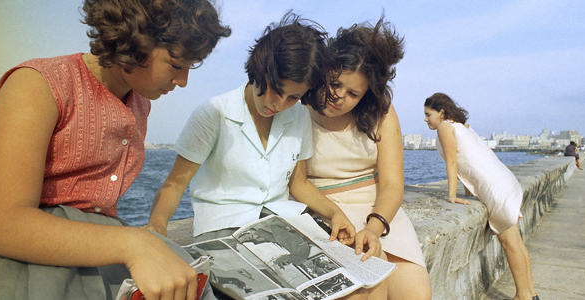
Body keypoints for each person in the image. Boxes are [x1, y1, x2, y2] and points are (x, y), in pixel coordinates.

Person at [0, 0, 231, 299]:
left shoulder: (140, 102)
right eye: (176, 64)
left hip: (98, 254)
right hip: (31, 261)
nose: (182, 82)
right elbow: (2, 224)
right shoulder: (39, 84)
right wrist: (133, 244)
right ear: (135, 41)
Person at [145, 12, 380, 264]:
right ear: (260, 66)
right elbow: (174, 185)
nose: (278, 104)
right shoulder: (214, 114)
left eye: (292, 97)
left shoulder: (299, 115)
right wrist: (156, 227)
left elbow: (298, 184)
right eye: (276, 89)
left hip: (282, 221)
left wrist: (336, 214)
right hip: (223, 226)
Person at [302, 18, 432, 300]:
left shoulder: (381, 112)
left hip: (378, 212)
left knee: (416, 295)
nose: (338, 97)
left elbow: (392, 185)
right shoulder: (298, 104)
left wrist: (373, 228)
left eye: (353, 93)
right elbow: (294, 182)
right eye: (334, 83)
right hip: (322, 211)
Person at [424, 93, 539, 300]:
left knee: (510, 243)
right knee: (517, 242)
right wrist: (469, 193)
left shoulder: (444, 127)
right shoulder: (462, 127)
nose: (425, 119)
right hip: (505, 181)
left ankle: (523, 296)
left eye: (428, 114)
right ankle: (531, 293)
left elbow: (453, 163)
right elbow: (470, 165)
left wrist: (452, 195)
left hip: (495, 188)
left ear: (441, 113)